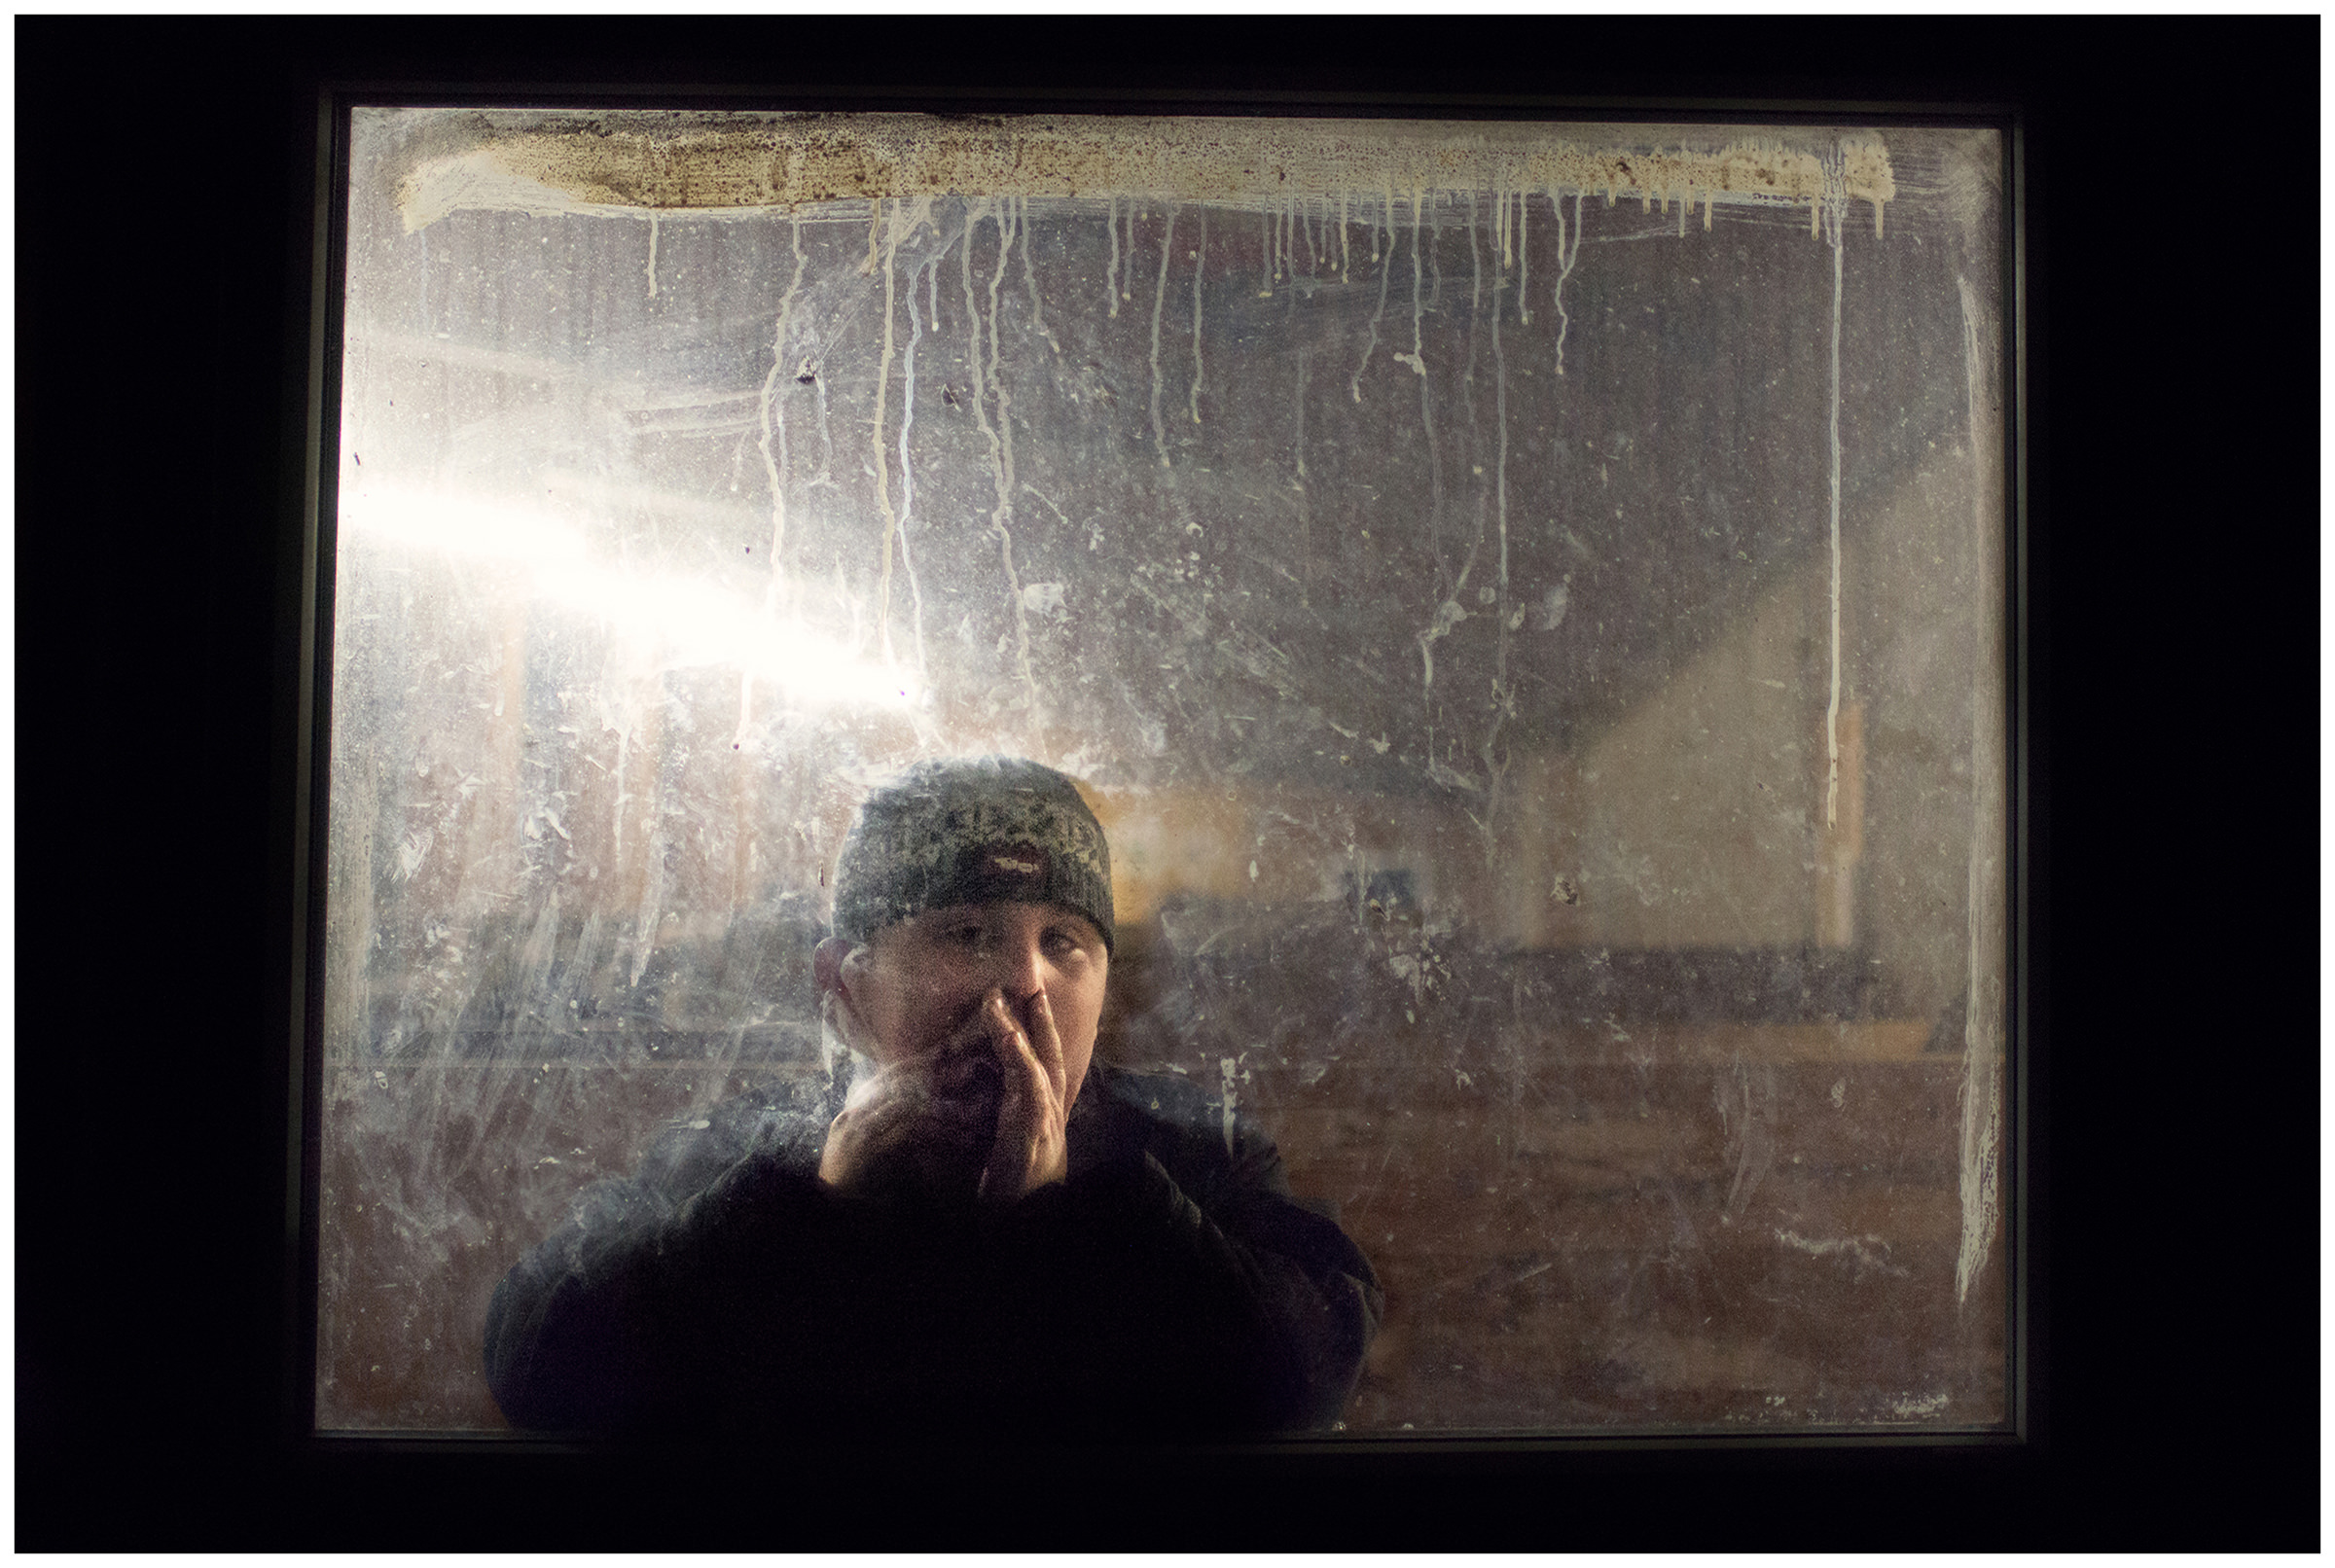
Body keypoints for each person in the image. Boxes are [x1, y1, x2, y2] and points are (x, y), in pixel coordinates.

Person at [484, 756, 1382, 1439]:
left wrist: (1068, 1212)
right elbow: (534, 1355)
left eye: (1064, 941)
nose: (1023, 984)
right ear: (847, 984)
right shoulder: (740, 1157)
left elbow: (1312, 1371)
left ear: (1107, 984)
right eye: (965, 933)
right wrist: (814, 1207)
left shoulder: (1192, 1153)